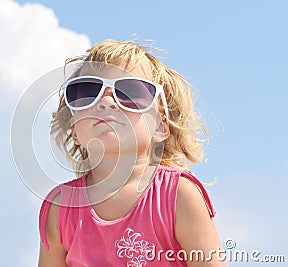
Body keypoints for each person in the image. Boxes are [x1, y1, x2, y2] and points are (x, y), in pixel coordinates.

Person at [38, 39, 226, 266]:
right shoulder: (61, 208)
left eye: (129, 91)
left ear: (160, 127)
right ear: (75, 130)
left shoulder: (178, 196)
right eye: (88, 91)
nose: (106, 101)